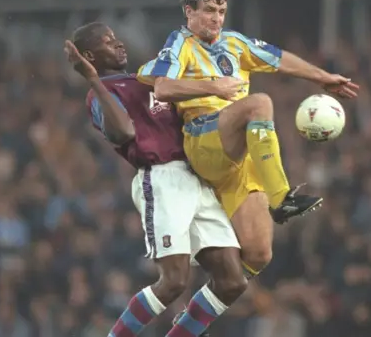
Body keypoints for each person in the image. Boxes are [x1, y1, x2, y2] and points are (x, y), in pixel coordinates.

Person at [137, 0, 359, 307]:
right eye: (209, 11)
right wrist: (214, 87)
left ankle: (193, 319)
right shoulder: (179, 43)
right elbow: (163, 88)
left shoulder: (235, 43)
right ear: (189, 11)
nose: (216, 19)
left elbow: (280, 58)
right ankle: (282, 198)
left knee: (258, 254)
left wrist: (324, 78)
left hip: (239, 159)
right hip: (204, 140)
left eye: (221, 11)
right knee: (259, 103)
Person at [65, 22, 248, 337]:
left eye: (117, 37)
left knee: (233, 281)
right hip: (161, 179)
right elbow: (122, 133)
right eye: (109, 42)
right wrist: (93, 81)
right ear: (90, 56)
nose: (119, 43)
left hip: (196, 177)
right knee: (175, 280)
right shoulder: (100, 95)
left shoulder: (148, 80)